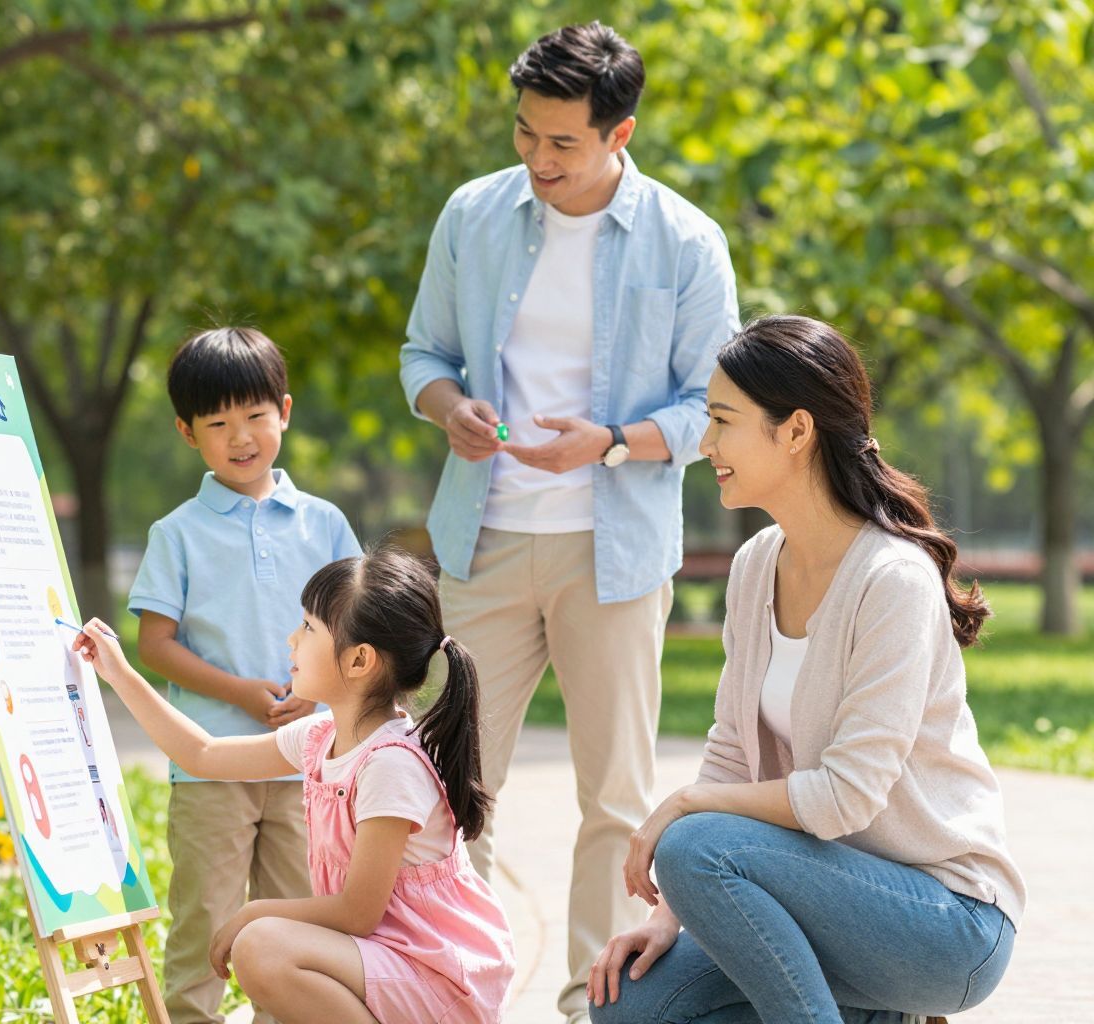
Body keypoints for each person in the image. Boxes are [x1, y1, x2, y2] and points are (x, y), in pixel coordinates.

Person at [398, 21, 740, 1018]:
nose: (538, 160)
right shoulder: (472, 214)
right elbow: (424, 355)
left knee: (617, 798)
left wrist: (612, 442)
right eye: (525, 133)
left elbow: (714, 407)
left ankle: (600, 1001)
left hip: (615, 550)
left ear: (619, 133)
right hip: (484, 541)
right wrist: (448, 409)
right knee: (449, 782)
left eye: (562, 143)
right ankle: (454, 986)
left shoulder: (686, 241)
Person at [587, 315, 1025, 1024]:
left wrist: (685, 806)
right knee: (631, 1004)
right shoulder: (757, 563)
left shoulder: (892, 579)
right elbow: (734, 752)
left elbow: (846, 797)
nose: (705, 445)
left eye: (722, 421)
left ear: (795, 430)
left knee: (696, 843)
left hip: (947, 922)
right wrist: (671, 914)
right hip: (823, 898)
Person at [76, 548, 515, 1024]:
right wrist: (118, 672)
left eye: (308, 627)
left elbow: (358, 913)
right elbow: (201, 754)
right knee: (265, 943)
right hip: (384, 960)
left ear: (359, 660)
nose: (292, 639)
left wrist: (253, 911)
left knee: (262, 945)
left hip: (435, 978)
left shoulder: (390, 765)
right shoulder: (320, 737)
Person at [128, 326, 361, 1024]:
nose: (240, 437)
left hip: (310, 768)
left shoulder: (325, 524)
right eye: (217, 423)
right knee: (204, 920)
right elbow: (154, 644)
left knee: (298, 927)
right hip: (212, 767)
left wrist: (319, 700)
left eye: (256, 415)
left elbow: (358, 630)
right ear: (186, 431)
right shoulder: (177, 533)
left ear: (283, 412)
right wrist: (239, 692)